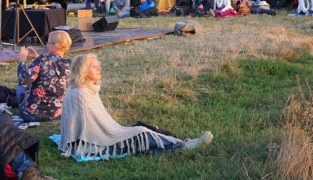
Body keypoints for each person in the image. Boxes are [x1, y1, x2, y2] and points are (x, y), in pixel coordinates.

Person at [59, 54, 211, 159]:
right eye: (93, 66)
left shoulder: (87, 89)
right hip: (93, 146)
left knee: (142, 127)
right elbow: (91, 130)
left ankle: (180, 143)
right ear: (83, 72)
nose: (99, 68)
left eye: (98, 65)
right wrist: (118, 133)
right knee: (141, 132)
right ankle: (183, 146)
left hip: (96, 139)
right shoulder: (80, 94)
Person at [17, 30, 73, 122]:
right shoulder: (69, 64)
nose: (47, 45)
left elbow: (23, 81)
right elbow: (51, 68)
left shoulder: (42, 60)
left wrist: (22, 61)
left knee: (21, 84)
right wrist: (37, 57)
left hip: (32, 114)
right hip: (57, 114)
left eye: (48, 42)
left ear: (55, 45)